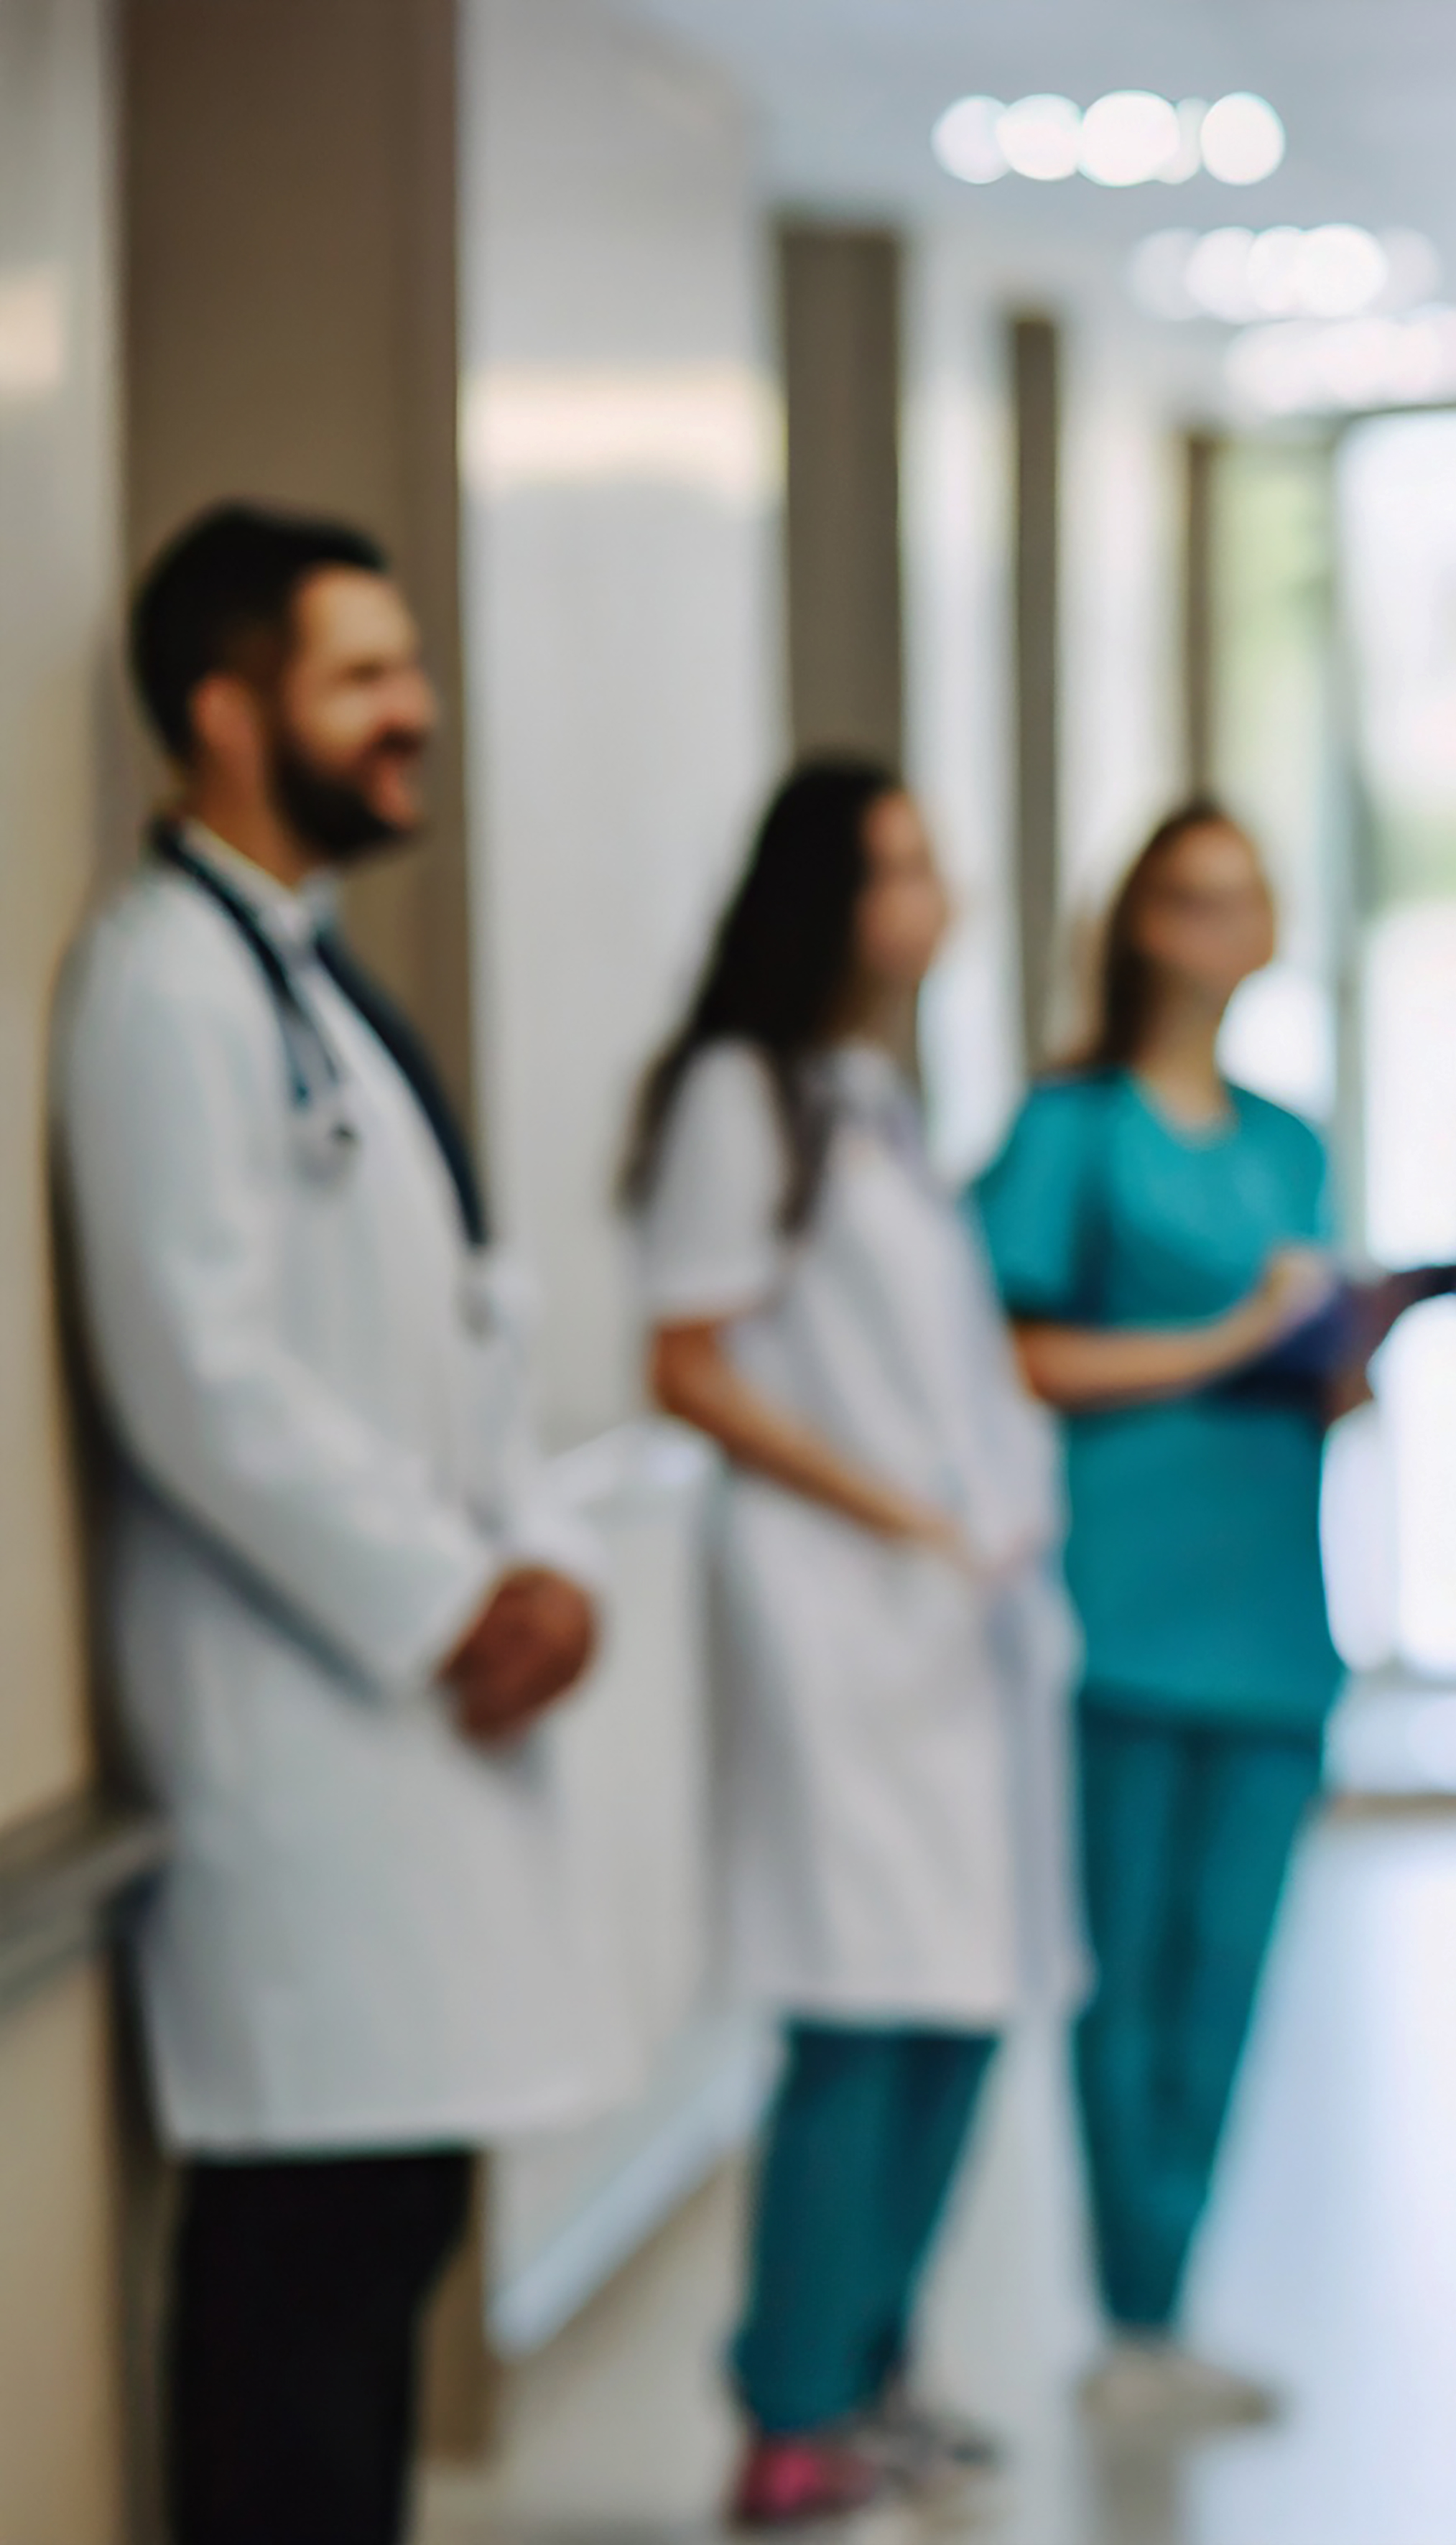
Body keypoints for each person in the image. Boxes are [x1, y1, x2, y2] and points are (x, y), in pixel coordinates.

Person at [62, 502, 613, 2545]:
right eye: (364, 675)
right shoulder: (162, 990)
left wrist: (546, 1565)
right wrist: (461, 1598)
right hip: (299, 1745)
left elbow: (453, 1338)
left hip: (398, 1742)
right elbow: (195, 1373)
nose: (416, 711)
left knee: (381, 2249)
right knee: (302, 2298)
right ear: (226, 712)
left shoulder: (294, 975)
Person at [623, 760, 1080, 2522]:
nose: (932, 894)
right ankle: (790, 2404)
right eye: (898, 866)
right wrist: (892, 1510)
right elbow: (687, 1362)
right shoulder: (735, 1095)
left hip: (946, 1616)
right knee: (859, 2014)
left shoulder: (865, 1092)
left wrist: (974, 1518)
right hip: (836, 1616)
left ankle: (876, 2363)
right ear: (824, 892)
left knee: (959, 1998)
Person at [974, 802, 1399, 2424]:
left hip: (1270, 1611)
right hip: (1123, 1606)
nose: (1233, 923)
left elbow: (1308, 1356)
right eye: (1200, 896)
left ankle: (1169, 2305)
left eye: (1253, 894)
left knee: (1227, 1977)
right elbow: (1015, 1353)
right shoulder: (1070, 1129)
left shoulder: (1290, 1143)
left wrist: (1341, 1356)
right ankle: (1130, 2315)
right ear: (1144, 924)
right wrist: (1230, 1339)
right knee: (1125, 1975)